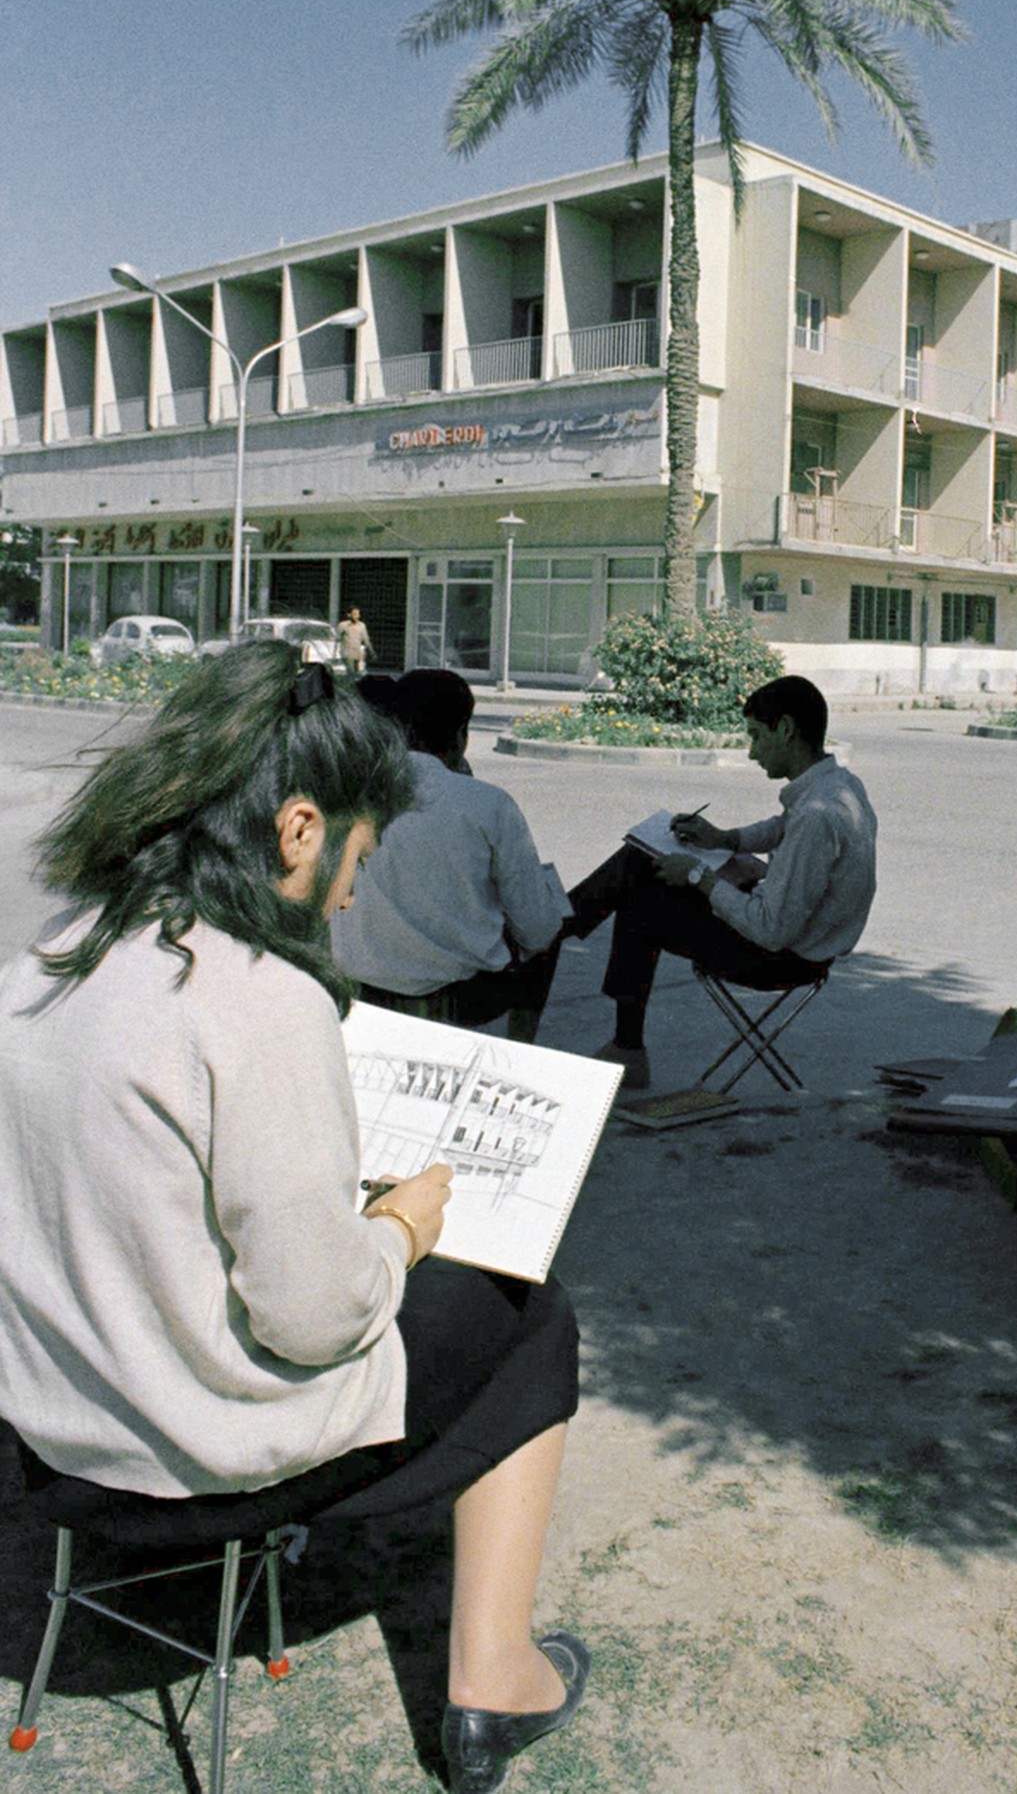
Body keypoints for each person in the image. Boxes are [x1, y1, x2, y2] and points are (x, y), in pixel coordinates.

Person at [0, 645, 587, 1792]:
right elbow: (318, 1319)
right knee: (534, 1311)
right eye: (362, 856)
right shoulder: (259, 999)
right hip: (189, 1450)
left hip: (48, 1427)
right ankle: (494, 1678)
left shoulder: (49, 955)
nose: (359, 892)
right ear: (302, 828)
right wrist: (402, 1226)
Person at [561, 674, 877, 1091]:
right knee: (644, 861)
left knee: (641, 900)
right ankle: (563, 925)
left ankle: (561, 932)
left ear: (785, 729)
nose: (751, 752)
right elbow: (781, 828)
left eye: (755, 736)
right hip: (797, 929)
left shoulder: (817, 816)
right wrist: (724, 839)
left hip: (783, 956)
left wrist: (697, 875)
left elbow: (770, 930)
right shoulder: (837, 786)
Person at [332, 667, 569, 1040]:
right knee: (549, 918)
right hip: (460, 998)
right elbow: (538, 930)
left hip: (358, 985)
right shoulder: (488, 803)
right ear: (461, 735)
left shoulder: (345, 792)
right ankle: (521, 1048)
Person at [338, 605, 372, 678]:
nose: (357, 616)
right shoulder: (343, 625)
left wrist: (371, 651)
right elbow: (337, 638)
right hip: (347, 654)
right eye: (354, 614)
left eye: (358, 614)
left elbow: (366, 639)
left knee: (358, 674)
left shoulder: (362, 625)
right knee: (351, 673)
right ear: (349, 615)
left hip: (358, 654)